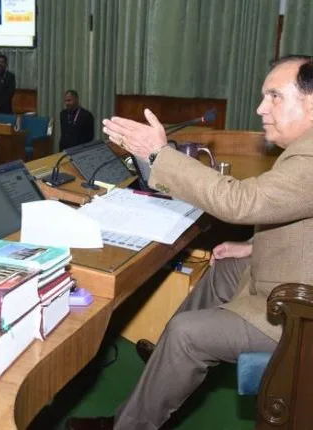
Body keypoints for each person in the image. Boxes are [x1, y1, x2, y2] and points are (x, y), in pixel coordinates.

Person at [67, 54, 313, 430]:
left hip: (300, 314)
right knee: (225, 267)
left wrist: (158, 154)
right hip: (292, 278)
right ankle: (165, 365)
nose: (261, 108)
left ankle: (132, 420)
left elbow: (241, 201)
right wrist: (253, 246)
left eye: (274, 96)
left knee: (187, 334)